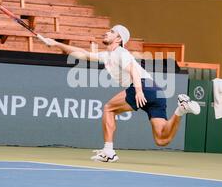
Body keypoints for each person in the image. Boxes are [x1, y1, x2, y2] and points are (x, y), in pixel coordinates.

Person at [41, 25, 201, 163]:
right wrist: (55, 44)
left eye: (111, 32)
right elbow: (83, 54)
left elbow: (132, 69)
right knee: (161, 139)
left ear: (118, 39)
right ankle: (181, 109)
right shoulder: (107, 55)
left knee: (109, 108)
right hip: (157, 91)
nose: (106, 33)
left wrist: (138, 90)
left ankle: (108, 152)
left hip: (143, 86)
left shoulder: (121, 52)